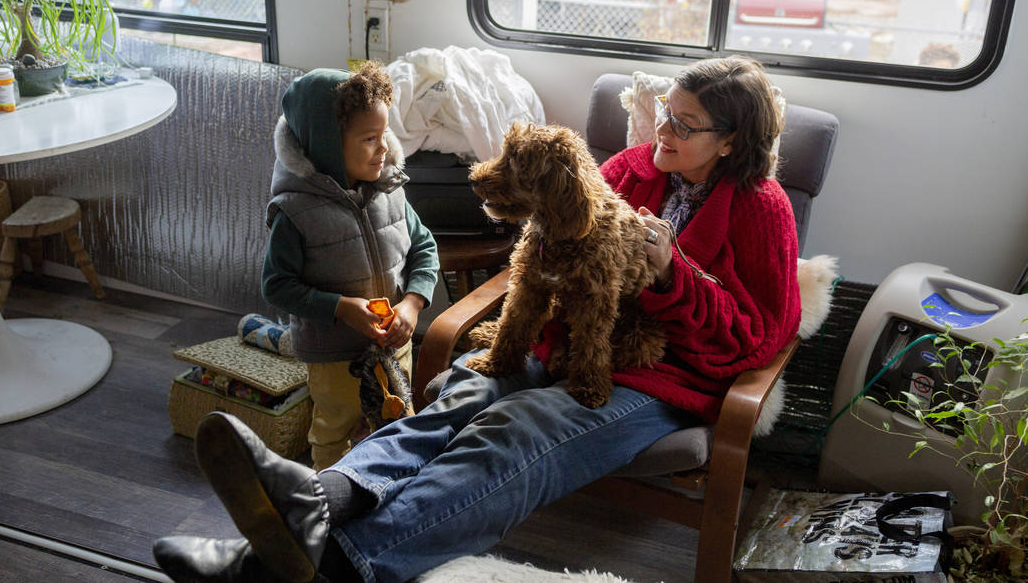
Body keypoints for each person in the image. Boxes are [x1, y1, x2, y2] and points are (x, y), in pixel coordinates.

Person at [152, 55, 802, 583]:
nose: (661, 132)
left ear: (732, 140)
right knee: (462, 395)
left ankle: (316, 567)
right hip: (562, 339)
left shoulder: (763, 209)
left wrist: (672, 275)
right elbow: (554, 243)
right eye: (666, 114)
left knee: (516, 429)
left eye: (685, 126)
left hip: (658, 377)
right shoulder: (630, 169)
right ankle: (322, 501)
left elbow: (758, 337)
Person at [259, 63, 439, 471]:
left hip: (395, 344)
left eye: (384, 135)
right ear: (327, 143)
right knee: (334, 431)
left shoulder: (390, 190)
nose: (384, 148)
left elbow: (424, 246)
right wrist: (341, 307)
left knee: (395, 422)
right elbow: (277, 285)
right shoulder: (295, 211)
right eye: (370, 139)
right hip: (333, 356)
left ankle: (388, 490)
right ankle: (332, 502)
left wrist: (411, 304)